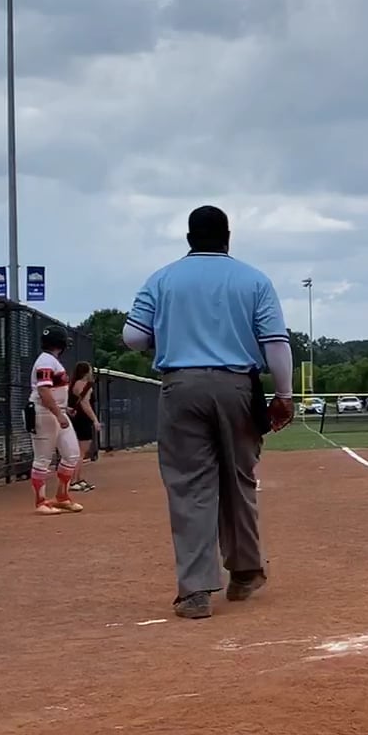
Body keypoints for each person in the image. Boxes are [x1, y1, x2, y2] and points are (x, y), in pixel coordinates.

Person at [123, 205, 295, 620]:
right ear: (228, 238)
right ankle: (246, 570)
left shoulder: (161, 279)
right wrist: (284, 395)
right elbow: (275, 342)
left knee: (190, 487)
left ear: (188, 239)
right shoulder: (254, 280)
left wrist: (168, 333)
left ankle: (196, 590)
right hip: (238, 387)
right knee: (239, 478)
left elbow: (132, 337)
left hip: (181, 386)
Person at [28, 328, 84, 514]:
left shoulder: (50, 360)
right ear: (61, 343)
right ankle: (41, 502)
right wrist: (59, 414)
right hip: (44, 413)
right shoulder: (45, 361)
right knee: (43, 458)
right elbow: (43, 391)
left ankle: (62, 496)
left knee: (72, 454)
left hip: (55, 412)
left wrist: (62, 410)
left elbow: (52, 391)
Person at [67, 362, 99, 491]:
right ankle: (74, 480)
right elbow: (85, 404)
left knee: (78, 451)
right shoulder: (86, 386)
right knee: (81, 452)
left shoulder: (73, 385)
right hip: (83, 420)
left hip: (74, 419)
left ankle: (78, 479)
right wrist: (95, 420)